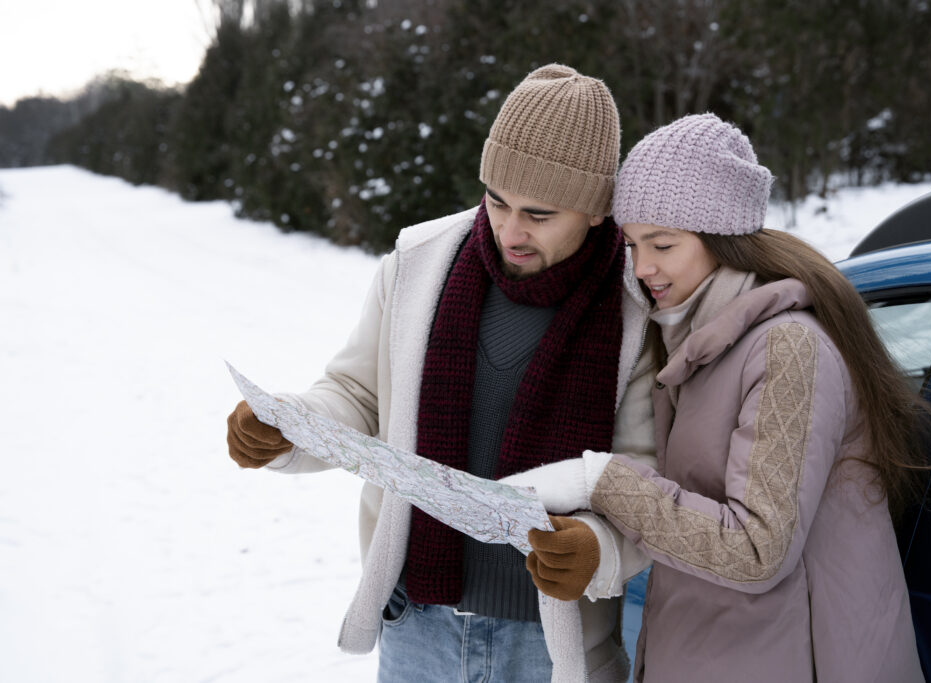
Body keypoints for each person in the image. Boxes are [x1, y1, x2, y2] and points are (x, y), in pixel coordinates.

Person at [225, 64, 656, 683]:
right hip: (418, 626)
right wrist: (287, 427)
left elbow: (644, 482)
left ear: (593, 210)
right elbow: (356, 394)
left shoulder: (634, 310)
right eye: (497, 200)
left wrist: (599, 550)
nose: (511, 230)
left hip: (551, 647)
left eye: (539, 213)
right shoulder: (419, 265)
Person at [508, 113, 931, 681]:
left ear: (724, 239)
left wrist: (600, 481)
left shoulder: (787, 349)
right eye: (633, 245)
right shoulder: (694, 345)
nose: (643, 268)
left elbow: (757, 551)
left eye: (662, 244)